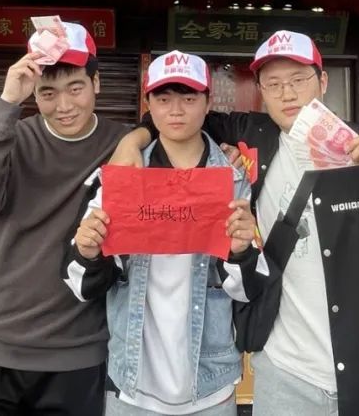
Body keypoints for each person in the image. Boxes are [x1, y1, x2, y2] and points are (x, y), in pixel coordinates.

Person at [113, 31, 359, 416]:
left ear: (323, 81)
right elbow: (179, 115)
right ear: (260, 91)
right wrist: (131, 142)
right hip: (284, 373)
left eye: (299, 79)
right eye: (273, 83)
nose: (287, 93)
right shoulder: (252, 136)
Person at [0, 22, 130, 416]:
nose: (64, 106)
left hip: (77, 354)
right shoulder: (10, 137)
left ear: (96, 83)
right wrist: (7, 102)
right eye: (48, 93)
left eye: (75, 88)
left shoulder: (122, 145)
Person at [64, 51, 260, 416]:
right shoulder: (121, 178)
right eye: (164, 99)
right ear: (149, 104)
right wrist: (88, 253)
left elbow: (249, 291)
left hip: (211, 387)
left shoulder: (233, 181)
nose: (176, 111)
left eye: (189, 99)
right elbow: (81, 286)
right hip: (132, 387)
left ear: (208, 104)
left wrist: (240, 252)